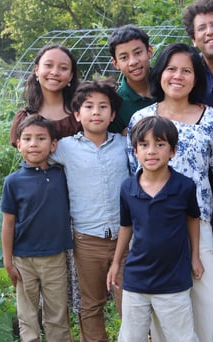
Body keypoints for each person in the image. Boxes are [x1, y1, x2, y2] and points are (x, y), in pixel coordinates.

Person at [126, 42, 213, 342]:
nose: (178, 76)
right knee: (162, 310)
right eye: (171, 69)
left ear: (196, 77)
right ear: (161, 73)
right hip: (153, 227)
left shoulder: (212, 119)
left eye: (187, 70)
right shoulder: (140, 119)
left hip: (197, 223)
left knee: (210, 302)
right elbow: (135, 175)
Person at [107, 115, 203, 342]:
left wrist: (195, 257)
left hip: (173, 282)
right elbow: (126, 226)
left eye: (160, 144)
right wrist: (116, 262)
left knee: (182, 337)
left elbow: (193, 219)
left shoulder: (184, 186)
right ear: (135, 151)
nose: (151, 151)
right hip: (136, 280)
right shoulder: (128, 188)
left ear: (173, 151)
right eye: (144, 145)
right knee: (131, 337)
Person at [51, 78, 129, 342]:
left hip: (125, 238)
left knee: (129, 302)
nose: (96, 112)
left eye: (103, 107)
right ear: (76, 114)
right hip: (87, 239)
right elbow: (29, 144)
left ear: (113, 114)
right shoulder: (64, 147)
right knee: (91, 303)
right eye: (88, 106)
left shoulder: (125, 145)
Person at [1, 114, 74, 342]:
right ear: (18, 144)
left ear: (53, 144)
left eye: (41, 138)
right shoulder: (13, 182)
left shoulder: (62, 175)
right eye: (27, 138)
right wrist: (7, 260)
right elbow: (8, 222)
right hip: (23, 260)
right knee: (27, 314)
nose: (34, 144)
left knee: (57, 315)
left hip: (54, 257)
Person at [10, 44, 82, 146]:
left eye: (63, 68)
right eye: (48, 65)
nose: (55, 72)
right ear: (36, 70)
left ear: (71, 75)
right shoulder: (24, 117)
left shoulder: (82, 115)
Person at [107, 25, 156, 135]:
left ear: (149, 52)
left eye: (138, 53)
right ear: (115, 63)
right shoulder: (116, 104)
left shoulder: (170, 86)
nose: (133, 62)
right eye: (124, 57)